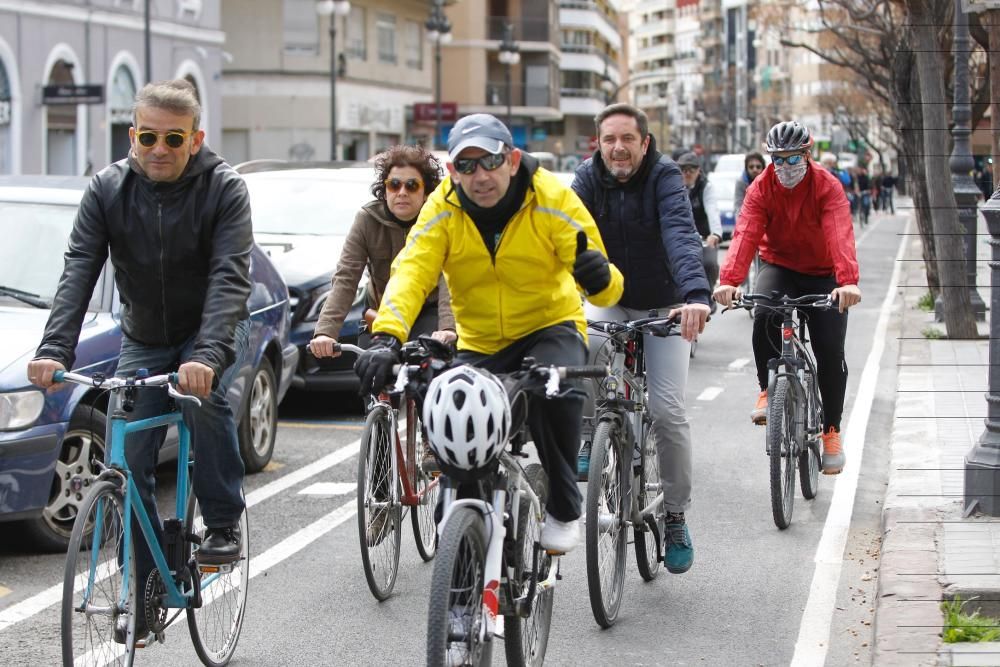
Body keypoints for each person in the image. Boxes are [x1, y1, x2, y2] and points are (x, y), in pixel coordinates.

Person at [27, 79, 252, 641]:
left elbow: (229, 278)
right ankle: (147, 583)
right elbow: (80, 267)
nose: (159, 148)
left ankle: (223, 520)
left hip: (208, 332)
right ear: (133, 135)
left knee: (202, 399)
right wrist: (55, 349)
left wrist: (206, 354)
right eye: (147, 136)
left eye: (173, 138)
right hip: (145, 335)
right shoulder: (107, 189)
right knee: (127, 460)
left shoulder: (224, 189)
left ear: (194, 139)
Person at [354, 113, 624, 553]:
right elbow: (412, 270)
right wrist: (387, 337)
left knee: (555, 390)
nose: (478, 176)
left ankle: (562, 504)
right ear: (454, 171)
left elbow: (607, 281)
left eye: (489, 161)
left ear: (512, 160)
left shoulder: (552, 197)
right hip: (480, 339)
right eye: (465, 166)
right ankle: (460, 510)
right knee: (452, 409)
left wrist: (599, 279)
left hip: (548, 325)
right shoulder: (443, 206)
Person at [571, 103, 711, 574]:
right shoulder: (586, 179)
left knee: (667, 410)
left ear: (644, 143)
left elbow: (680, 233)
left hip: (665, 302)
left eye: (627, 139)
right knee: (584, 346)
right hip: (607, 296)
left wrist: (694, 294)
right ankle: (593, 428)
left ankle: (674, 515)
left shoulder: (665, 178)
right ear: (598, 144)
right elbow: (564, 237)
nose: (618, 148)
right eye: (609, 139)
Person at [713, 120, 862, 475]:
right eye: (777, 160)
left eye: (792, 159)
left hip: (824, 273)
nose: (784, 168)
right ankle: (767, 390)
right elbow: (746, 232)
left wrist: (847, 282)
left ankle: (830, 431)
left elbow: (840, 232)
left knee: (830, 352)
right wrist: (729, 280)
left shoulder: (827, 186)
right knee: (763, 311)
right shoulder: (761, 187)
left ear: (808, 156)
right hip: (779, 264)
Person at [309, 144, 456, 358]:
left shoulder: (439, 221)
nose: (402, 192)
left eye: (412, 185)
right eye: (394, 185)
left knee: (426, 374)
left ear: (426, 192)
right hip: (381, 313)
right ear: (385, 189)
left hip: (429, 312)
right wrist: (325, 332)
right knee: (371, 372)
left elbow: (448, 280)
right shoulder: (367, 219)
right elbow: (346, 277)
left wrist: (447, 329)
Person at [677, 151, 722, 313]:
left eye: (692, 169)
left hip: (703, 237)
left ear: (699, 171)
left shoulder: (706, 187)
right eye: (683, 169)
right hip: (680, 238)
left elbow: (712, 210)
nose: (687, 173)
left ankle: (708, 296)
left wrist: (715, 234)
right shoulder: (673, 186)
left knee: (709, 263)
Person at [735, 151, 766, 218]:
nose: (755, 169)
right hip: (747, 220)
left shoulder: (769, 183)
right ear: (746, 168)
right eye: (751, 167)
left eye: (758, 167)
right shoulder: (741, 183)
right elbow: (738, 206)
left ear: (763, 168)